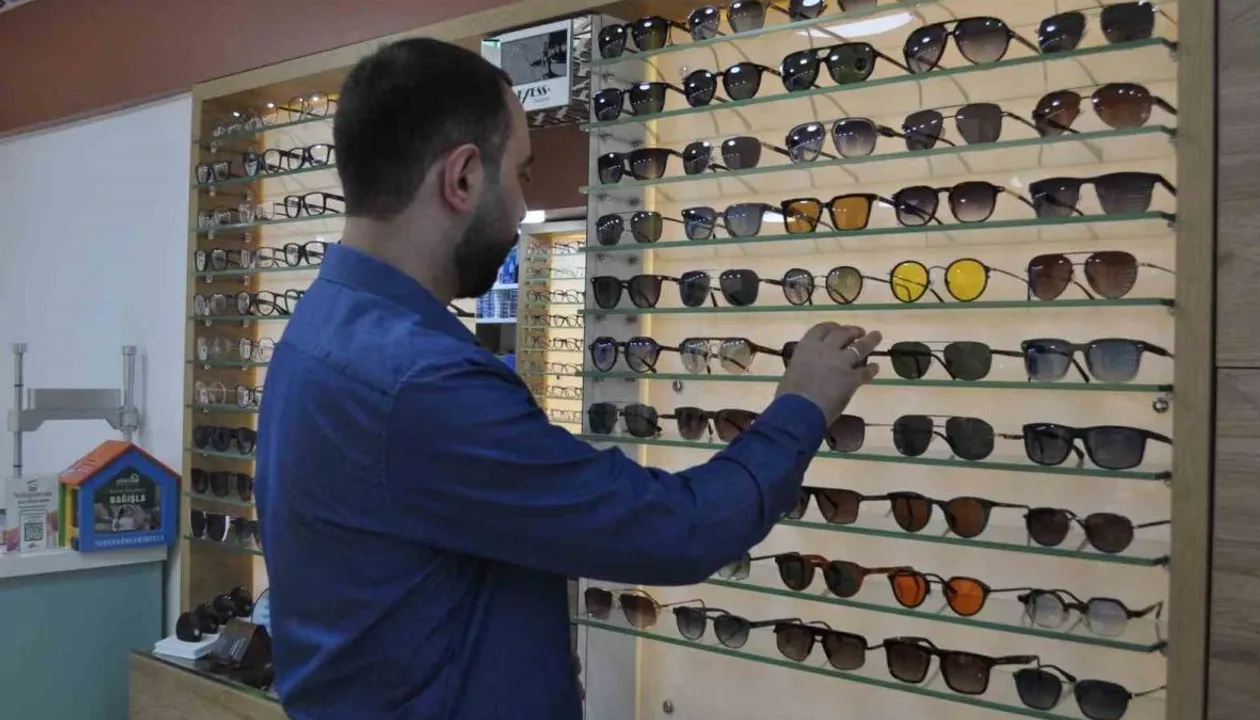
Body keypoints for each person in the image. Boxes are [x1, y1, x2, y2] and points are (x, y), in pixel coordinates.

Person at [255, 37, 883, 720]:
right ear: (461, 179)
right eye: (520, 173)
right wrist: (802, 405)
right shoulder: (423, 381)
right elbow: (678, 530)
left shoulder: (321, 326)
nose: (521, 205)